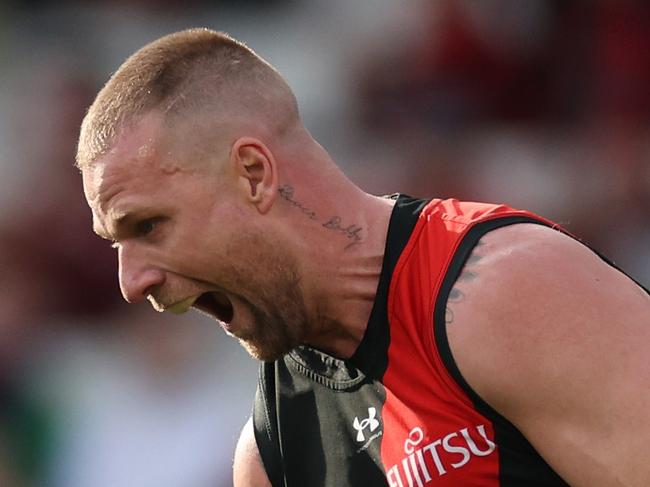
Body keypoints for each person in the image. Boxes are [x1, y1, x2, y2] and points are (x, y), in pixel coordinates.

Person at [76, 28, 650, 487]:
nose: (131, 282)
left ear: (254, 174)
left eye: (147, 225)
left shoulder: (505, 294)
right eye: (115, 242)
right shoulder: (271, 453)